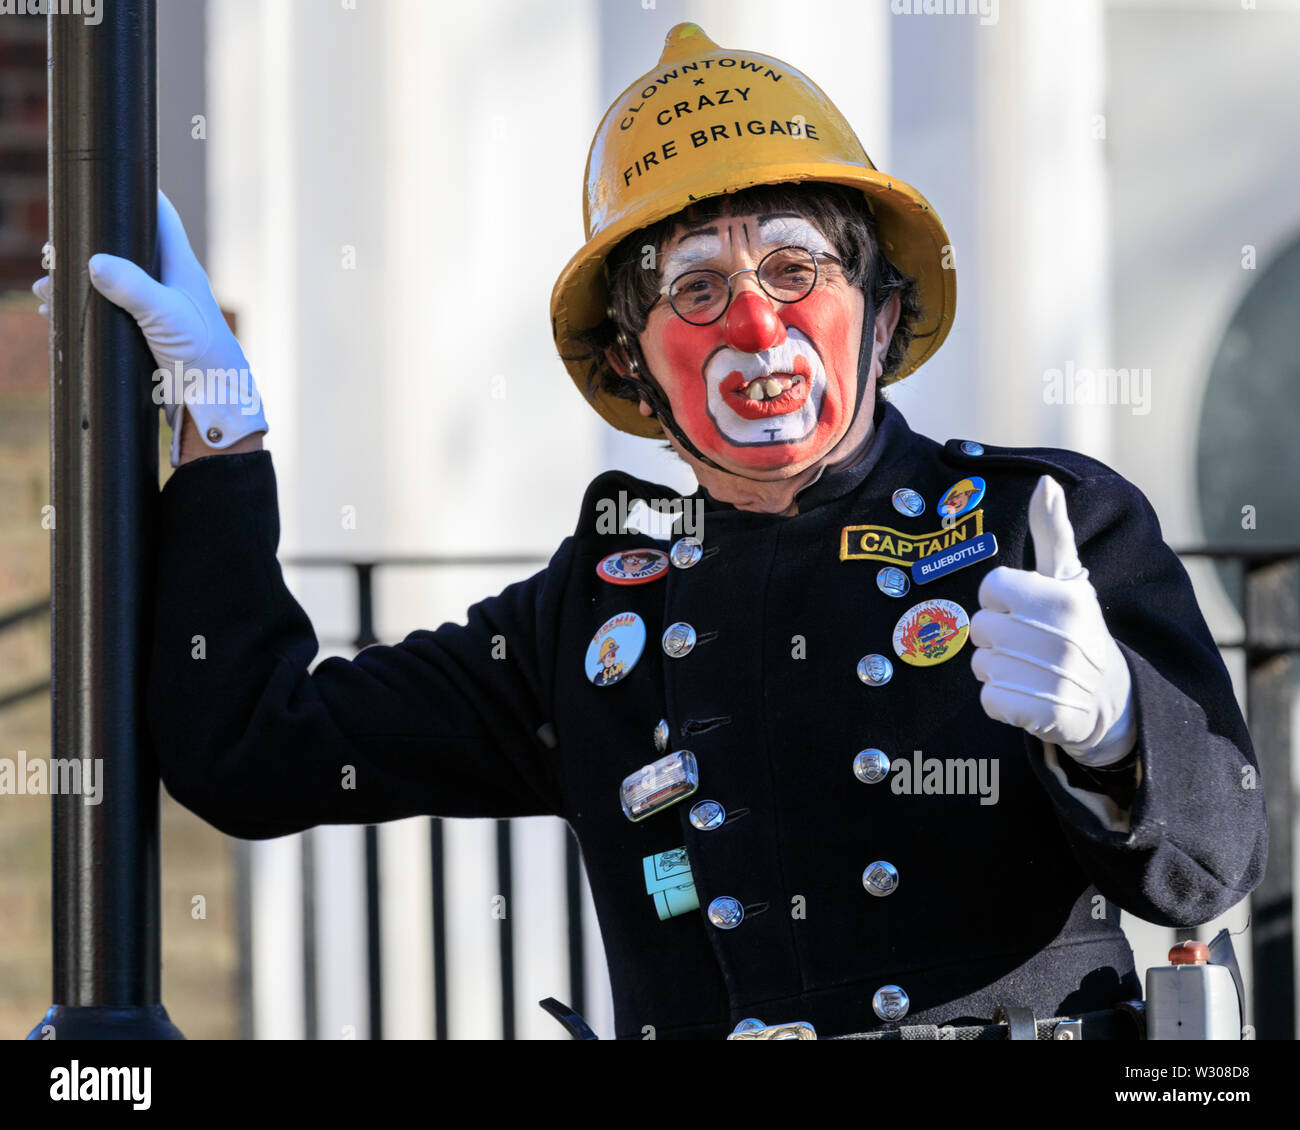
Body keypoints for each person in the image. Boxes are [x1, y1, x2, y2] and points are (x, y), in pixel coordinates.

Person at [33, 22, 1266, 1041]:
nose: (755, 327)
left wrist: (1113, 733)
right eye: (696, 288)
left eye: (795, 268)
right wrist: (221, 441)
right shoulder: (599, 611)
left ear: (880, 317)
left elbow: (1209, 869)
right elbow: (253, 750)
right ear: (633, 363)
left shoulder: (1036, 525)